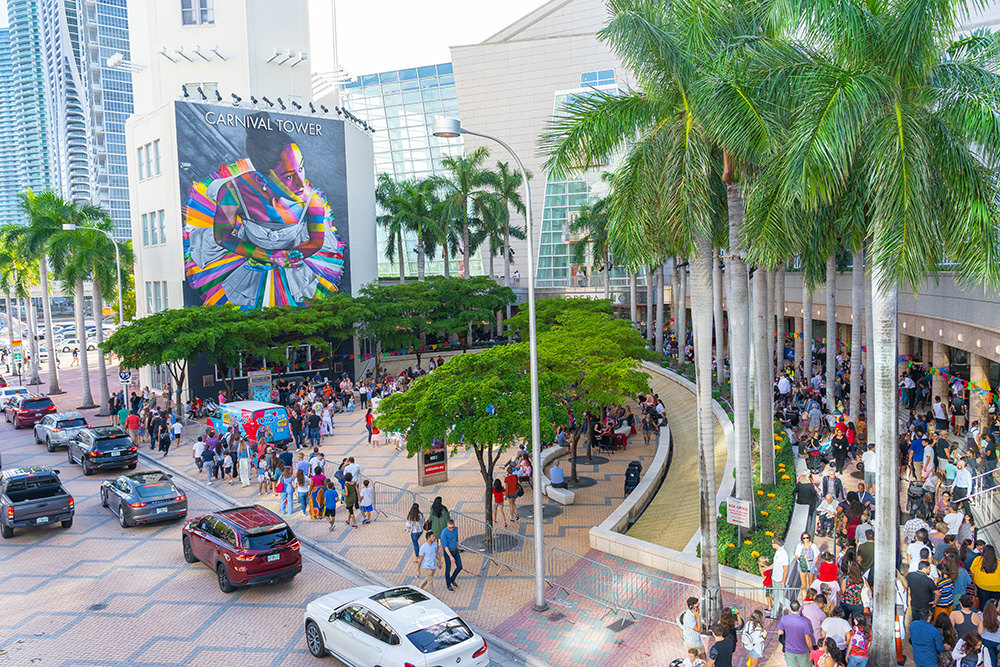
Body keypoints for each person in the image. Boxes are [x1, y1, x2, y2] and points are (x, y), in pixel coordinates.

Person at [776, 600, 814, 667]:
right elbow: (807, 638)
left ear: (790, 608)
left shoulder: (784, 619)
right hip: (803, 650)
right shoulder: (804, 622)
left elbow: (779, 632)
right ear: (799, 608)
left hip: (789, 650)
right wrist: (811, 650)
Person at [973, 545, 1000, 609]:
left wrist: (974, 582)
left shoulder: (978, 560)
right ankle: (993, 617)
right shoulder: (998, 562)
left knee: (983, 603)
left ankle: (984, 617)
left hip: (982, 586)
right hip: (997, 587)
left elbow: (972, 572)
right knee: (994, 604)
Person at [771, 536, 791, 619]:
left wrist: (783, 583)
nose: (771, 545)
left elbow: (786, 569)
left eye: (772, 543)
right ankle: (774, 615)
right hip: (775, 579)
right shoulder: (778, 552)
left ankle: (794, 610)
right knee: (775, 597)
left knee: (781, 598)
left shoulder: (783, 554)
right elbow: (775, 564)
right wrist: (766, 568)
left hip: (780, 580)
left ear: (776, 544)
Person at [441, 519, 462, 592]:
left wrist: (457, 547)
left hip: (455, 550)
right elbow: (445, 546)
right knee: (448, 569)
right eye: (450, 527)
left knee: (460, 566)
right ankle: (448, 584)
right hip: (448, 552)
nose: (451, 529)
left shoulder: (456, 529)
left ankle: (452, 579)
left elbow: (456, 539)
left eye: (452, 527)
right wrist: (450, 556)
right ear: (447, 526)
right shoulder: (444, 533)